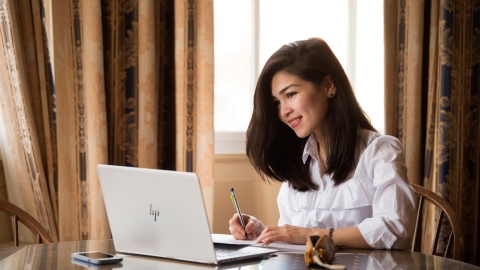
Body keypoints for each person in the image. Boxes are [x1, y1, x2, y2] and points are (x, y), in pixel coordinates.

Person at [228, 37, 417, 250]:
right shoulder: (298, 163)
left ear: (328, 86)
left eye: (291, 94)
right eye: (276, 103)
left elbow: (395, 228)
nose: (283, 111)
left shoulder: (379, 151)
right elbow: (295, 237)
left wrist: (313, 235)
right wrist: (261, 232)